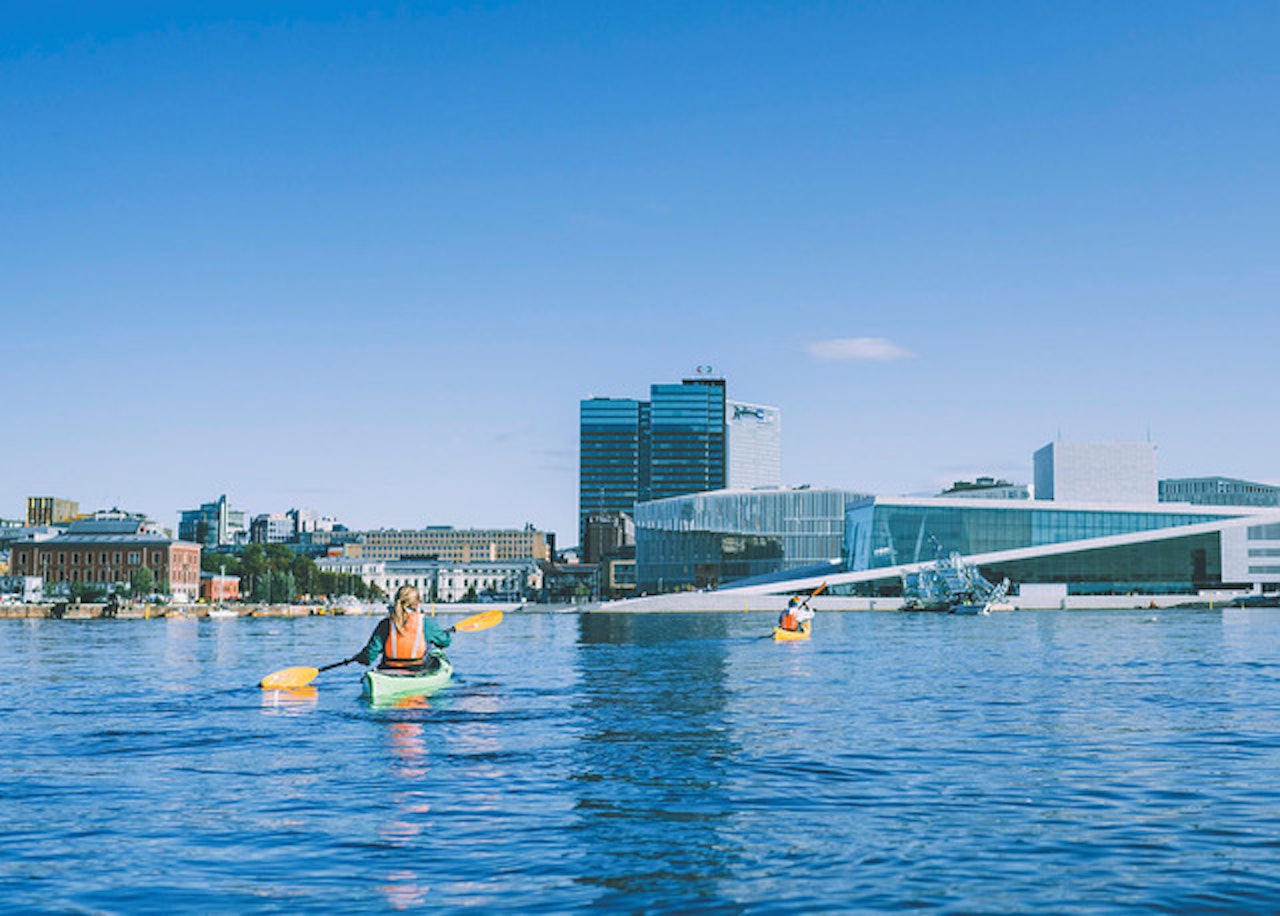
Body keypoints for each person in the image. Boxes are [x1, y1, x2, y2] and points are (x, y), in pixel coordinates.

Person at [354, 585, 452, 672]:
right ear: (417, 603)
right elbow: (445, 642)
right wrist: (445, 635)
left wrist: (361, 657)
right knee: (436, 658)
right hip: (417, 668)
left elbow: (370, 656)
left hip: (389, 668)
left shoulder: (385, 624)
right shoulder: (426, 623)